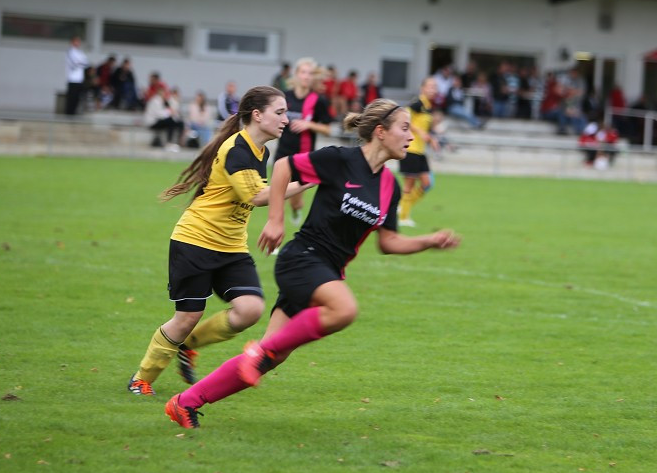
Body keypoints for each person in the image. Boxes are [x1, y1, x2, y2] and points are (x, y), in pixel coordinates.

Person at [164, 98, 461, 428]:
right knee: (344, 309)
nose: (410, 137)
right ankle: (257, 354)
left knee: (269, 358)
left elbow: (389, 242)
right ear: (380, 132)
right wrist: (276, 220)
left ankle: (185, 402)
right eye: (404, 129)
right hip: (302, 260)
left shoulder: (389, 185)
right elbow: (283, 167)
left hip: (327, 271)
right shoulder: (340, 159)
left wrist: (428, 242)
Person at [127, 85, 313, 397]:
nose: (285, 119)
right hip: (195, 241)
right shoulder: (237, 149)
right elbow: (256, 196)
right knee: (187, 317)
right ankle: (141, 378)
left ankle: (188, 346)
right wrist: (305, 181)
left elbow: (262, 188)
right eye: (279, 112)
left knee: (250, 310)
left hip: (231, 246)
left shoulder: (260, 151)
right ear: (257, 115)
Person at [275, 57, 333, 224]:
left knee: (296, 201)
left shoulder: (318, 100)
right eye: (303, 72)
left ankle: (296, 209)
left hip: (303, 156)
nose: (306, 76)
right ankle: (275, 238)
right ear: (296, 74)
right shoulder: (284, 98)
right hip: (283, 153)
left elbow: (328, 129)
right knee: (279, 196)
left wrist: (309, 124)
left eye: (310, 73)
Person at [397, 77, 439, 228]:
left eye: (435, 87)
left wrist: (432, 139)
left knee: (428, 183)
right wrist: (420, 132)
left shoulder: (428, 106)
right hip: (411, 149)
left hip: (420, 151)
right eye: (430, 86)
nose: (433, 89)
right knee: (409, 184)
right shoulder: (417, 103)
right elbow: (404, 117)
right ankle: (403, 216)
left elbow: (425, 129)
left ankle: (401, 206)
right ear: (422, 88)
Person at [64, 36, 89, 116]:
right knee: (71, 99)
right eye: (76, 41)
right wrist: (80, 62)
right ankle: (68, 115)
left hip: (79, 79)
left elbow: (86, 63)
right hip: (72, 79)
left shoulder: (80, 53)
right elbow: (74, 64)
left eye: (78, 41)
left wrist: (80, 62)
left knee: (77, 99)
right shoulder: (70, 52)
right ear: (72, 42)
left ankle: (74, 114)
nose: (77, 43)